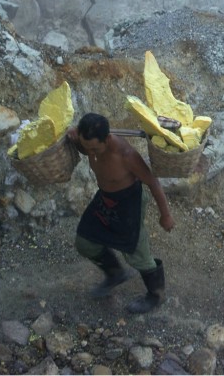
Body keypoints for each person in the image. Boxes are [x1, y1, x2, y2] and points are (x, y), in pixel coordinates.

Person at [68, 112, 175, 313]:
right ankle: (115, 273)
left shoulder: (126, 155)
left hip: (128, 202)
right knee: (85, 241)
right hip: (105, 199)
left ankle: (156, 295)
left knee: (136, 253)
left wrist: (166, 214)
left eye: (94, 148)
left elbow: (152, 182)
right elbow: (85, 147)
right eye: (86, 147)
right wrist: (75, 139)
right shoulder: (90, 143)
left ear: (107, 139)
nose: (90, 152)